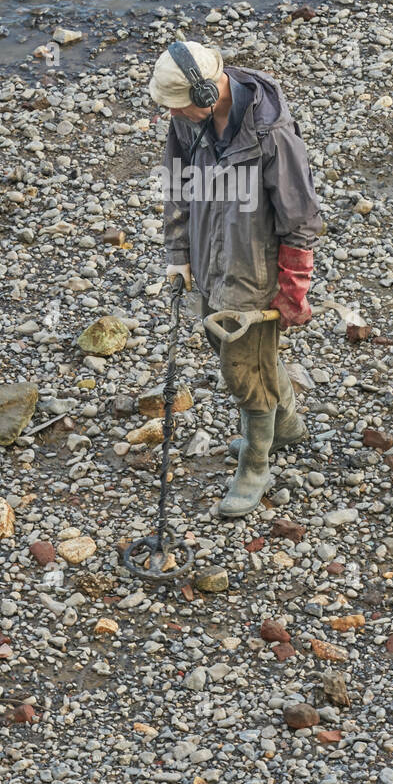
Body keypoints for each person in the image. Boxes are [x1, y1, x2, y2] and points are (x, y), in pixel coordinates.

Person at [150, 40, 322, 517]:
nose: (174, 114)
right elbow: (176, 183)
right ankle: (284, 425)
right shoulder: (187, 120)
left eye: (179, 104)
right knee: (236, 351)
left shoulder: (271, 133)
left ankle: (255, 464)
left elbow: (300, 219)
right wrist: (178, 252)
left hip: (254, 271)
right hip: (209, 259)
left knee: (242, 371)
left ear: (206, 91)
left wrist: (293, 290)